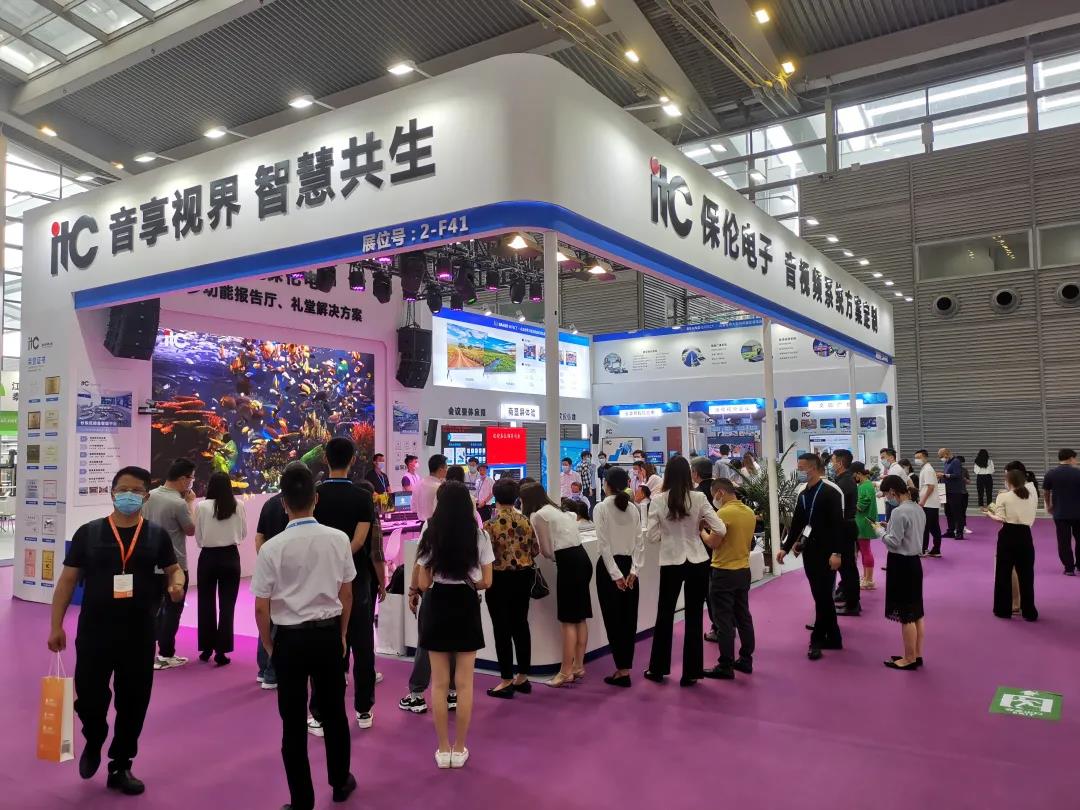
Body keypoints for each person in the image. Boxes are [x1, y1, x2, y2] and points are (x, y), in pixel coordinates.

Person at [48, 466, 185, 795]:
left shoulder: (155, 535)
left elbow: (173, 568)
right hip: (95, 632)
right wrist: (56, 625)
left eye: (136, 491)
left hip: (139, 633)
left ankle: (121, 764)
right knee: (89, 697)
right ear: (111, 493)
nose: (128, 496)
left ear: (146, 497)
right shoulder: (89, 533)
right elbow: (67, 581)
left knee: (134, 702)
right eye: (123, 489)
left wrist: (177, 583)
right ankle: (94, 736)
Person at [252, 464, 357, 810]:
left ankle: (301, 799)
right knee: (335, 713)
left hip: (289, 641)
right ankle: (340, 781)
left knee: (293, 723)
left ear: (283, 503)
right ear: (316, 499)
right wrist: (342, 634)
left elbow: (261, 608)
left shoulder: (271, 548)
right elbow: (346, 594)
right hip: (328, 636)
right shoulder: (338, 539)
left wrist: (269, 645)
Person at [415, 480, 494, 768]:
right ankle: (459, 748)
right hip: (466, 603)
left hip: (437, 603)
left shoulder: (429, 530)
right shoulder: (479, 534)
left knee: (438, 683)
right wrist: (471, 581)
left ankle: (442, 748)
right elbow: (487, 581)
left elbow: (423, 582)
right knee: (464, 683)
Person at [308, 438, 376, 733]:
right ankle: (364, 709)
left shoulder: (315, 495)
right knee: (363, 645)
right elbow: (359, 541)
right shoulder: (363, 497)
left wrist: (329, 564)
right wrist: (343, 563)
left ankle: (320, 712)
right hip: (357, 580)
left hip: (321, 579)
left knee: (325, 647)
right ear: (353, 460)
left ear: (325, 459)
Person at [645, 456, 725, 686]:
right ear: (689, 474)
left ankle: (657, 669)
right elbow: (720, 528)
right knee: (694, 615)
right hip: (697, 560)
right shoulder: (699, 497)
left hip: (671, 561)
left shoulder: (658, 500)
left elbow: (651, 536)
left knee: (665, 614)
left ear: (667, 475)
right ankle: (691, 672)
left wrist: (668, 534)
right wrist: (699, 530)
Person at [521, 482, 592, 688]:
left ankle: (564, 672)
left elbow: (546, 550)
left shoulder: (538, 516)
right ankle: (578, 666)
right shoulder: (557, 510)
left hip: (569, 563)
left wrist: (552, 556)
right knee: (580, 616)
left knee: (568, 620)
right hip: (582, 558)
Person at [777, 453, 844, 661]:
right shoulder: (803, 494)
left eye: (801, 468)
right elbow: (798, 523)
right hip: (810, 552)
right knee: (820, 596)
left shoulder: (830, 493)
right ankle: (834, 637)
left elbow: (838, 526)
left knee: (822, 596)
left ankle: (816, 640)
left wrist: (837, 552)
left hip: (828, 552)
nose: (799, 471)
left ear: (813, 469)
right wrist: (786, 547)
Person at [483, 478, 538, 699]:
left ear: (495, 497)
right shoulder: (525, 520)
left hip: (499, 579)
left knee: (501, 629)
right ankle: (523, 676)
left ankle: (506, 679)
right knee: (521, 624)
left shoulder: (490, 525)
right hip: (524, 577)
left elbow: (484, 557)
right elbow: (535, 549)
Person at [141, 458, 196, 671]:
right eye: (191, 478)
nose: (191, 482)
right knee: (173, 610)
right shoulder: (178, 503)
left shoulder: (150, 496)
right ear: (183, 479)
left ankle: (148, 650)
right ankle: (165, 654)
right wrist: (190, 503)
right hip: (175, 564)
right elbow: (190, 530)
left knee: (152, 609)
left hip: (150, 563)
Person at [699, 477, 756, 679]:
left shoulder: (723, 513)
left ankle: (725, 665)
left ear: (720, 493)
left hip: (723, 571)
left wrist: (701, 531)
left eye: (714, 495)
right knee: (743, 616)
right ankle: (746, 659)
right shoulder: (749, 512)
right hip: (743, 570)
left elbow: (713, 542)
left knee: (723, 620)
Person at [593, 467, 643, 688]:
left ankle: (622, 670)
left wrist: (615, 575)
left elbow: (603, 545)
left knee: (613, 620)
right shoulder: (632, 508)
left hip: (609, 568)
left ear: (607, 484)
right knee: (629, 619)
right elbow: (639, 543)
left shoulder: (602, 507)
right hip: (629, 567)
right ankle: (625, 668)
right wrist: (634, 571)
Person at [874, 475, 926, 671]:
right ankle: (916, 654)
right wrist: (888, 529)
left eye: (887, 495)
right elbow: (907, 534)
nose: (887, 498)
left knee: (906, 615)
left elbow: (894, 542)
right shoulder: (918, 508)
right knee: (916, 612)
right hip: (914, 563)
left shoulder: (898, 512)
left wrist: (880, 532)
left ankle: (909, 658)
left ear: (892, 491)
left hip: (900, 564)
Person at [194, 472, 246, 666]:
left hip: (208, 557)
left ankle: (206, 648)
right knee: (227, 605)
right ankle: (222, 651)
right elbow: (243, 532)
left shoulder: (202, 506)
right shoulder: (238, 505)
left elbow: (198, 536)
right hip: (230, 556)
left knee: (205, 603)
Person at [985, 469, 1038, 621]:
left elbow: (1000, 518)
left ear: (1008, 481)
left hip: (1008, 534)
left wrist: (989, 514)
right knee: (1027, 574)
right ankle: (1029, 611)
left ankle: (1003, 609)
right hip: (1025, 534)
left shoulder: (1003, 496)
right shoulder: (1030, 495)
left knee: (1004, 573)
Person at [831, 449, 861, 616]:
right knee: (847, 567)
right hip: (846, 526)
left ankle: (852, 604)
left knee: (848, 568)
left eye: (833, 460)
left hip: (845, 527)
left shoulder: (845, 482)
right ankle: (850, 599)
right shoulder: (843, 480)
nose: (831, 464)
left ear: (840, 463)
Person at [1043, 448, 1080, 576]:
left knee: (1064, 541)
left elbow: (1046, 492)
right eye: (1075, 458)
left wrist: (1049, 505)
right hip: (1078, 513)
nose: (1076, 461)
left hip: (1060, 512)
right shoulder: (1078, 473)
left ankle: (1069, 568)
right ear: (1070, 458)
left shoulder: (1051, 474)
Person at [851, 462, 877, 589]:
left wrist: (850, 503)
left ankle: (869, 579)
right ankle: (866, 576)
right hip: (861, 521)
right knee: (863, 550)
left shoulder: (865, 486)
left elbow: (862, 505)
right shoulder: (863, 485)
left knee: (866, 550)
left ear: (858, 474)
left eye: (853, 475)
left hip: (863, 521)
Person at [914, 449, 943, 558]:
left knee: (925, 527)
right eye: (916, 458)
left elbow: (930, 487)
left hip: (929, 503)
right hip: (930, 503)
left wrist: (923, 500)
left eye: (919, 457)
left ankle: (923, 549)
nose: (917, 459)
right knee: (933, 527)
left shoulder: (928, 469)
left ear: (925, 457)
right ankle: (936, 550)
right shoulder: (926, 469)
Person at [937, 448, 965, 539]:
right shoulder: (946, 462)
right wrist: (941, 477)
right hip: (946, 491)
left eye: (941, 456)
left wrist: (944, 475)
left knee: (957, 513)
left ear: (946, 454)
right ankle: (950, 531)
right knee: (948, 512)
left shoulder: (956, 461)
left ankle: (959, 532)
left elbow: (957, 475)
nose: (941, 459)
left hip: (955, 491)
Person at [415, 454, 448, 522]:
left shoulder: (418, 483)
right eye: (446, 467)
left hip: (422, 524)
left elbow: (413, 508)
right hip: (435, 525)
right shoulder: (440, 487)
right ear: (440, 470)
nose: (447, 470)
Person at [879, 449, 905, 520]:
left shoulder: (895, 469)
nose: (882, 460)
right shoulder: (893, 468)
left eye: (883, 458)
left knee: (892, 523)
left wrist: (882, 492)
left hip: (895, 501)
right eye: (881, 458)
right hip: (894, 501)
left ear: (891, 457)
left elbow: (890, 487)